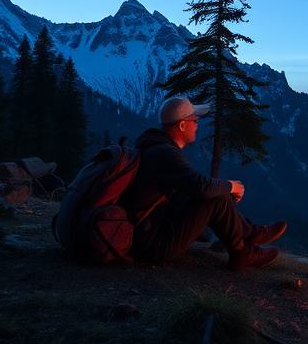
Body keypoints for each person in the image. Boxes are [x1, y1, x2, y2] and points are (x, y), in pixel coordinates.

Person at [123, 95, 287, 270]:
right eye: (194, 120)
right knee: (214, 197)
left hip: (149, 234)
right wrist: (232, 186)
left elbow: (190, 190)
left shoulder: (155, 148)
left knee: (215, 194)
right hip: (153, 245)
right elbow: (202, 187)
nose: (197, 124)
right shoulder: (165, 154)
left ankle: (247, 243)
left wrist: (224, 193)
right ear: (182, 125)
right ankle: (248, 242)